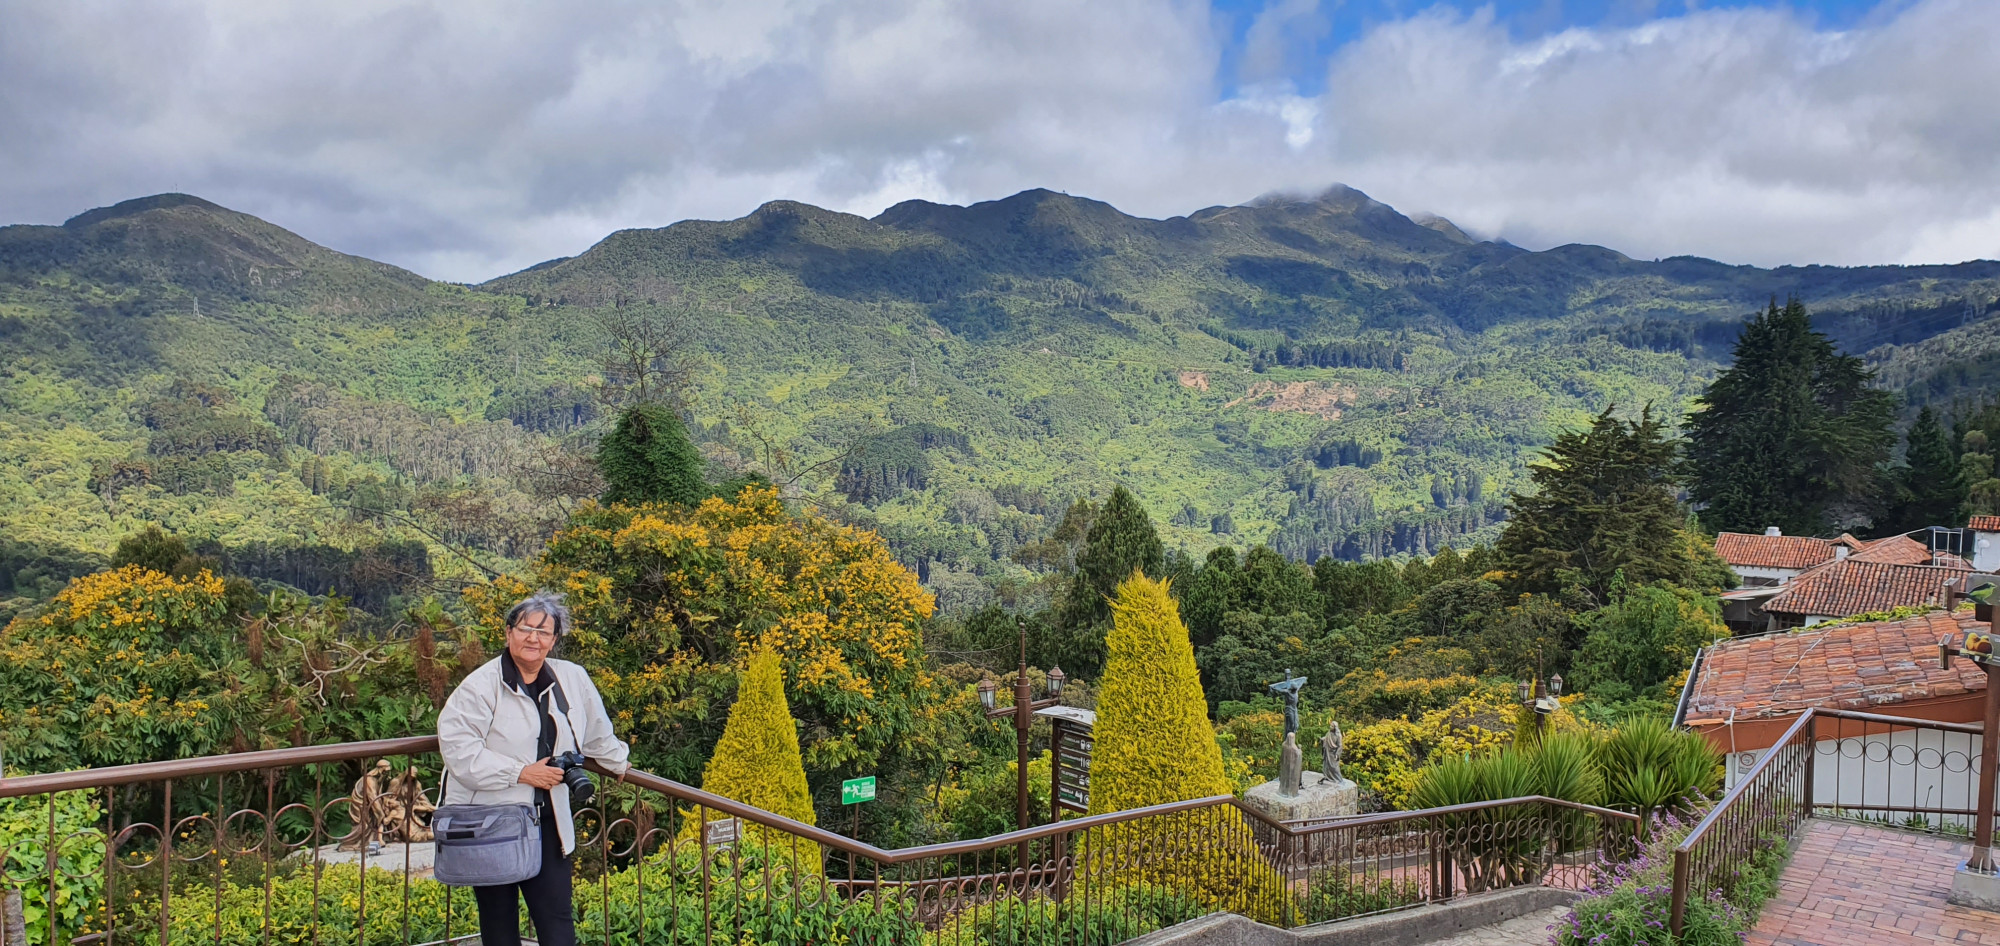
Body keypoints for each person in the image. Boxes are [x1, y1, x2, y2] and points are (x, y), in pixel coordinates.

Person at [438, 593, 631, 946]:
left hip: (548, 820)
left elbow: (596, 732)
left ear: (554, 640)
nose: (534, 639)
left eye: (545, 633)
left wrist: (617, 761)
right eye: (526, 628)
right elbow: (459, 752)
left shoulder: (572, 677)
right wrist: (521, 773)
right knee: (499, 925)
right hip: (493, 822)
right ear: (509, 632)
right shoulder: (481, 686)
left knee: (557, 919)